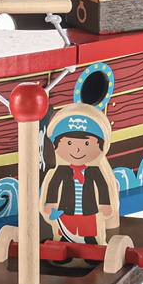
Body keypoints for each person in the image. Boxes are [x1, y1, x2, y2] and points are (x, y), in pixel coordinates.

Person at [39, 105, 120, 249]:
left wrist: (105, 205)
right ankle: (63, 249)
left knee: (89, 233)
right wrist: (50, 203)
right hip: (65, 211)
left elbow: (103, 187)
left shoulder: (96, 171)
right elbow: (53, 186)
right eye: (69, 143)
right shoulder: (60, 170)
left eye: (87, 143)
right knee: (64, 233)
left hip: (89, 212)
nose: (77, 149)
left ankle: (93, 250)